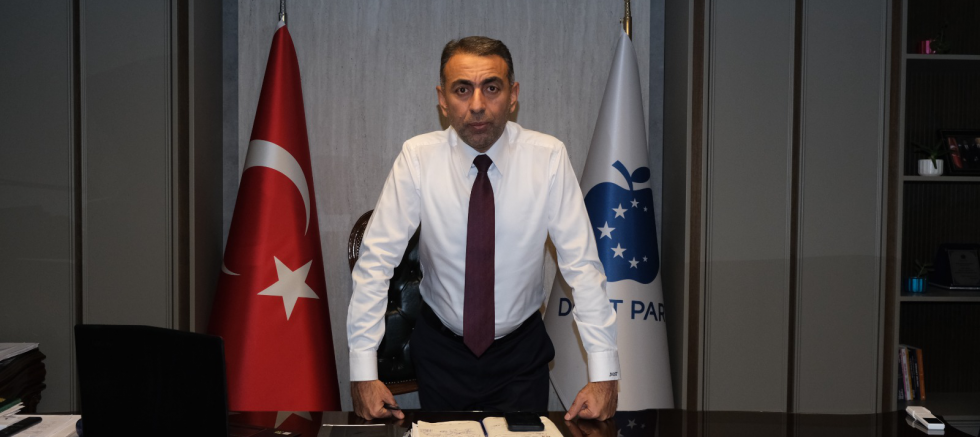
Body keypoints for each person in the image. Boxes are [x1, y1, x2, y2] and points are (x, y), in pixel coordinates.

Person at [347, 36, 619, 422]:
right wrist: (362, 373)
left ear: (513, 95)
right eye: (462, 89)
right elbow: (376, 263)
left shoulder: (548, 158)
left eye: (491, 88)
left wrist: (605, 374)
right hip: (441, 355)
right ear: (442, 99)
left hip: (521, 358)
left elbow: (583, 268)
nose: (477, 104)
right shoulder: (418, 158)